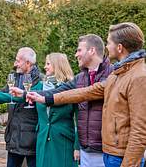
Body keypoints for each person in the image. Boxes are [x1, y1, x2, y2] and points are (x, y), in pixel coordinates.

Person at [26, 22, 146, 167]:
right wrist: (46, 98)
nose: (106, 47)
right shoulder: (118, 73)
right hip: (109, 154)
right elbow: (87, 92)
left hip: (120, 157)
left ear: (119, 47)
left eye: (109, 43)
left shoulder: (139, 76)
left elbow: (140, 132)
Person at [11, 34, 112, 167]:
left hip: (107, 149)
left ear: (92, 50)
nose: (76, 54)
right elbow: (57, 92)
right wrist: (25, 94)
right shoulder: (80, 78)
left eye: (79, 50)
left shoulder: (113, 74)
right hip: (87, 149)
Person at [0, 53, 80, 167]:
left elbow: (79, 120)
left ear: (58, 66)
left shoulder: (71, 88)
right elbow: (20, 97)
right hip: (42, 139)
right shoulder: (40, 86)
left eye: (48, 64)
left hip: (63, 141)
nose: (45, 67)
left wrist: (77, 147)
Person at [0, 47, 40, 167]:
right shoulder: (15, 77)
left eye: (18, 60)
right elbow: (4, 94)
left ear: (28, 63)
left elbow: (23, 97)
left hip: (31, 138)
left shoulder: (40, 81)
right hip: (14, 136)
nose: (15, 64)